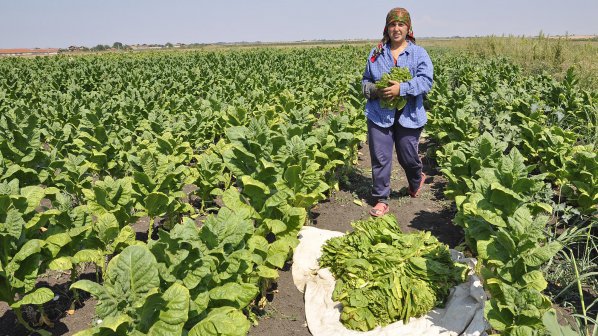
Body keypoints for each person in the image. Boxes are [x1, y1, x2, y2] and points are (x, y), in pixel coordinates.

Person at [362, 7, 433, 217]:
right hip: (379, 114)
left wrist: (401, 88)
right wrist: (376, 90)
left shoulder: (418, 53)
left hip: (409, 115)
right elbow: (365, 81)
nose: (396, 28)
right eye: (392, 24)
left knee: (407, 156)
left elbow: (426, 81)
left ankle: (416, 178)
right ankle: (382, 198)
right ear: (387, 27)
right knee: (380, 157)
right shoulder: (376, 53)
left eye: (400, 24)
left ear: (408, 28)